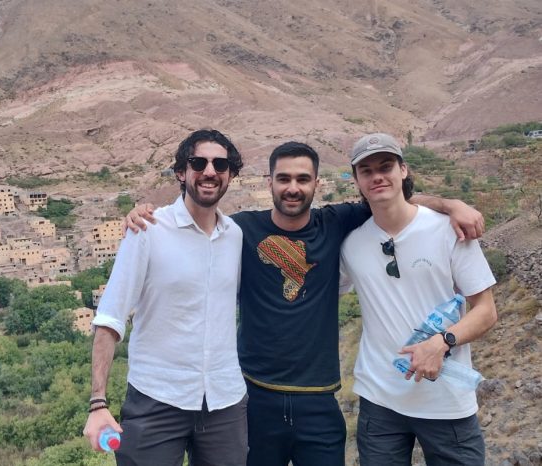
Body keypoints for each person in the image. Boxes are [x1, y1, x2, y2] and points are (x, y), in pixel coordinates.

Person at [125, 140, 485, 466]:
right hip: (255, 398)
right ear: (270, 183)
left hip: (319, 401)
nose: (293, 188)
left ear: (317, 184)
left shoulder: (337, 223)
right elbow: (195, 226)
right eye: (283, 179)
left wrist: (449, 205)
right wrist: (147, 215)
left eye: (302, 179)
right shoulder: (240, 230)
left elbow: (389, 199)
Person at [83, 129, 248, 466]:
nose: (210, 171)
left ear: (230, 175)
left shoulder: (235, 235)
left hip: (224, 401)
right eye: (198, 163)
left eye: (220, 165)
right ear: (181, 172)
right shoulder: (148, 230)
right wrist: (98, 403)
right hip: (156, 398)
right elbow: (110, 318)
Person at [339, 133, 497, 465]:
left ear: (403, 170)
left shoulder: (449, 231)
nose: (377, 176)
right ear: (356, 180)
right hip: (379, 400)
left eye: (386, 166)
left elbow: (486, 310)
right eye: (366, 170)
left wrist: (442, 342)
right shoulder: (351, 245)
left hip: (446, 401)